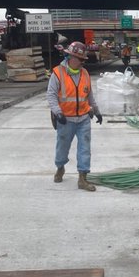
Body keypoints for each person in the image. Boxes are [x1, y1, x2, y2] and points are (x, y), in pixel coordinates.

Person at [47, 41, 102, 191]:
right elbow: (51, 96)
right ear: (71, 57)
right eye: (80, 59)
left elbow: (89, 95)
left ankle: (82, 178)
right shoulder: (58, 73)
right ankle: (60, 167)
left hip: (83, 117)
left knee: (85, 148)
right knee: (62, 147)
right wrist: (58, 112)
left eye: (84, 60)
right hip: (65, 119)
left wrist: (96, 111)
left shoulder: (84, 73)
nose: (83, 62)